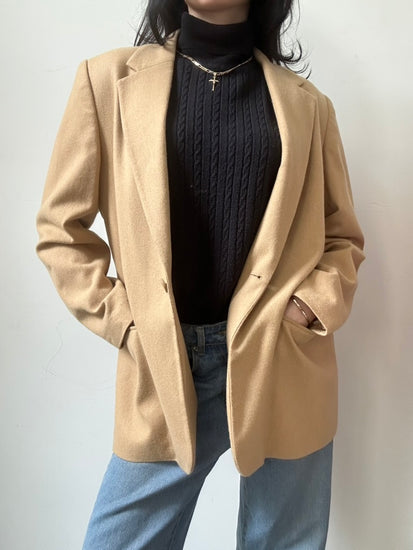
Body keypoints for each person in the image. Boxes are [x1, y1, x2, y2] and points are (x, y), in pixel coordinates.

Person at [35, 0, 365, 548]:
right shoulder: (106, 81)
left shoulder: (308, 106)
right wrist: (126, 323)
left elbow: (342, 239)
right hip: (164, 365)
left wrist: (308, 309)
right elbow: (59, 229)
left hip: (282, 360)